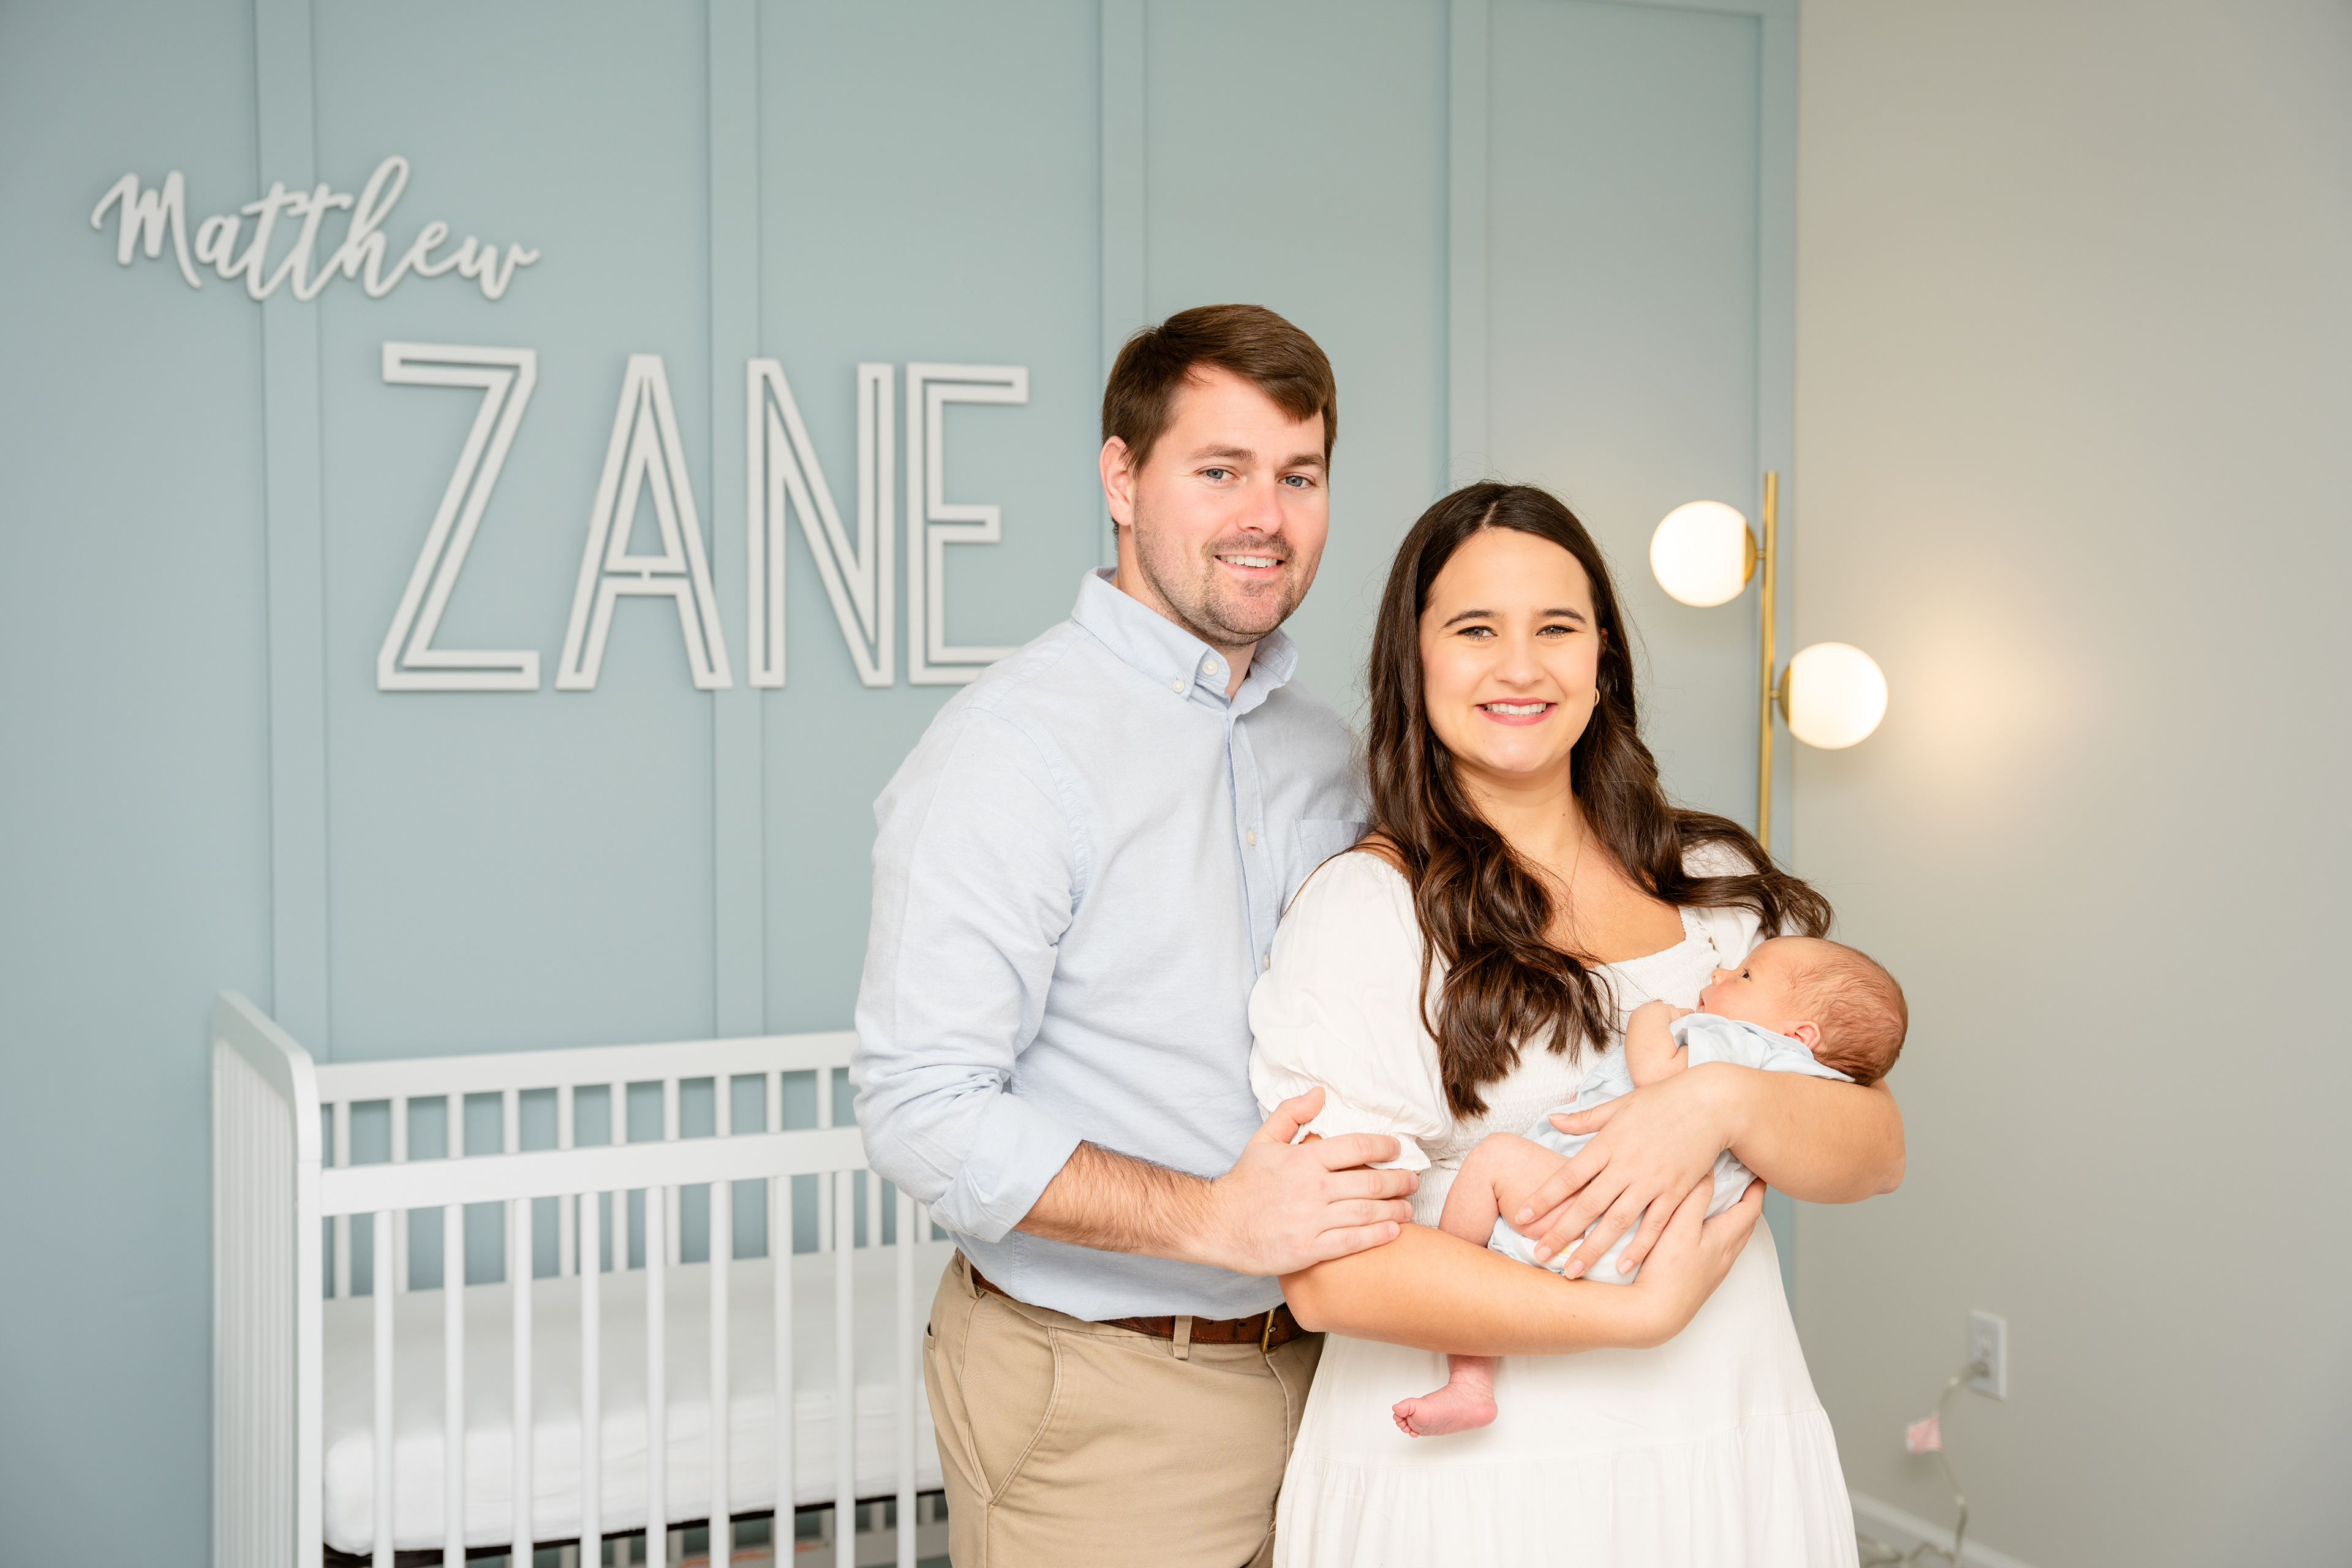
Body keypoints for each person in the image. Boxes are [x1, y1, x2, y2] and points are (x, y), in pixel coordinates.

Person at [851, 304, 1422, 1568]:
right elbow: (920, 1105)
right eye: (1219, 470)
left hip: (1333, 1368)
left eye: (1299, 474)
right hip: (1104, 1397)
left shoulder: (1324, 751)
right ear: (1121, 477)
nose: (1264, 513)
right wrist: (1218, 1220)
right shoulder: (1011, 751)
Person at [1248, 481, 1905, 1567]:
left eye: (1558, 627)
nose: (1521, 666)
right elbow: (1330, 1276)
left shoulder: (1717, 889)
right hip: (1481, 1495)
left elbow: (1874, 1152)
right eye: (1474, 630)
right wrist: (1634, 1316)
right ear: (1414, 663)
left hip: (1722, 1448)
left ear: (1604, 657)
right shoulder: (1368, 914)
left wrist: (1721, 1099)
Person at [1387, 937, 1909, 1436]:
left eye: (1745, 975)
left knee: (1493, 1161)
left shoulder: (1740, 1041)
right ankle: (1472, 1377)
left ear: (1800, 1035)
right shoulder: (1818, 1084)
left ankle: (1468, 1371)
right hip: (1657, 1253)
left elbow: (1658, 1072)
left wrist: (1650, 1016)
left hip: (1594, 1211)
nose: (1722, 972)